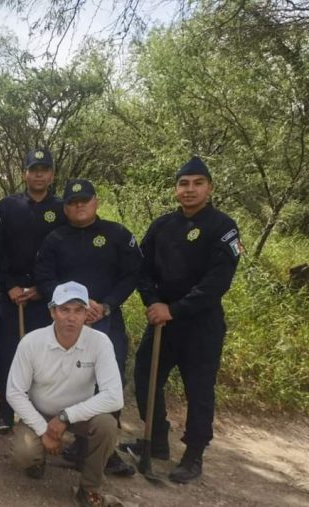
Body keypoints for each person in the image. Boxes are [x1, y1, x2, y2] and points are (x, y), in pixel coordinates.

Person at [121, 156, 242, 484]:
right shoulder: (162, 226)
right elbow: (141, 269)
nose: (189, 190)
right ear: (175, 189)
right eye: (184, 184)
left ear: (209, 187)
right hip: (161, 320)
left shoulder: (223, 227)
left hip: (200, 324)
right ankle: (155, 440)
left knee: (199, 389)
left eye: (197, 183)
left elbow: (217, 283)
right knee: (145, 376)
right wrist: (154, 302)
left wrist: (176, 308)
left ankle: (193, 454)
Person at [35, 178, 141, 476]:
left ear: (96, 202)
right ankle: (70, 443)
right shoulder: (54, 239)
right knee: (69, 379)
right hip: (65, 322)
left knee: (110, 381)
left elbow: (132, 274)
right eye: (72, 202)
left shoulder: (117, 234)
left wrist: (105, 304)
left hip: (105, 318)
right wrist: (71, 306)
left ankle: (102, 451)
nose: (79, 206)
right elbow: (44, 278)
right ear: (65, 208)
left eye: (85, 200)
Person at [7, 281, 123, 507]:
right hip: (40, 413)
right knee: (25, 453)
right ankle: (37, 459)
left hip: (80, 415)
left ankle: (89, 488)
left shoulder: (100, 343)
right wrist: (44, 431)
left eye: (78, 310)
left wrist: (65, 417)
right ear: (52, 312)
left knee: (107, 426)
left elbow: (114, 396)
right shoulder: (31, 342)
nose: (71, 317)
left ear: (87, 313)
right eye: (64, 310)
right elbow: (14, 392)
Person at [0, 148, 65, 433]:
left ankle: (37, 415)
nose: (38, 174)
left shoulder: (61, 209)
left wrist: (41, 289)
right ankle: (5, 413)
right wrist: (10, 285)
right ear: (24, 173)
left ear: (51, 175)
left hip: (46, 296)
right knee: (6, 355)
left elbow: (66, 254)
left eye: (44, 169)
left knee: (43, 358)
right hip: (10, 294)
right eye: (33, 169)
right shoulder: (7, 206)